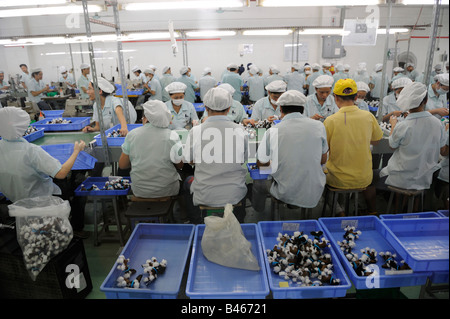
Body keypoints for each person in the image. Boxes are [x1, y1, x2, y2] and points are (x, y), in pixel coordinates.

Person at [183, 87, 248, 223]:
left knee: (187, 181)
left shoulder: (196, 131)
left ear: (206, 107)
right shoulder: (240, 130)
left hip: (205, 195)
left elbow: (188, 160)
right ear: (229, 108)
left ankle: (195, 220)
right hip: (234, 194)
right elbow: (243, 159)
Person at [256, 90, 328, 208]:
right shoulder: (319, 126)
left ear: (280, 109)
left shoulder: (273, 131)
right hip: (313, 190)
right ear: (303, 109)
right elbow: (323, 160)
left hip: (284, 192)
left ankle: (260, 209)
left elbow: (262, 164)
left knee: (260, 182)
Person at [0, 107, 85, 203]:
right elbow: (61, 173)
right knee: (77, 179)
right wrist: (76, 151)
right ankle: (76, 214)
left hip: (15, 201)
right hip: (41, 200)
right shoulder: (31, 150)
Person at [324, 79, 383, 215]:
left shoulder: (330, 120)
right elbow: (376, 140)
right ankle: (370, 211)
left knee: (321, 179)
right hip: (363, 178)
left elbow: (324, 149)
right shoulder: (368, 116)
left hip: (337, 179)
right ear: (356, 97)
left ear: (335, 98)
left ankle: (340, 212)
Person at [378, 82, 446, 198]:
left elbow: (392, 146)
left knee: (374, 176)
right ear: (426, 101)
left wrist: (393, 125)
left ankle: (393, 208)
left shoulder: (404, 125)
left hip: (401, 179)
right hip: (424, 179)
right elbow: (443, 150)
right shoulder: (438, 124)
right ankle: (411, 209)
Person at [119, 100, 183, 199]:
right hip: (167, 190)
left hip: (140, 190)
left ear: (145, 118)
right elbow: (179, 165)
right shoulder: (172, 135)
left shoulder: (132, 135)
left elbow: (123, 165)